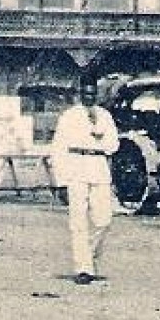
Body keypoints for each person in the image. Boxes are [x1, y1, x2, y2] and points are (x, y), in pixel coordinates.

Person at [51, 76, 120, 286]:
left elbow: (114, 144)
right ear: (81, 94)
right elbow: (58, 148)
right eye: (86, 94)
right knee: (78, 221)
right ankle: (83, 267)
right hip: (76, 167)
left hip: (98, 167)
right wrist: (60, 181)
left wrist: (100, 139)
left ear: (97, 94)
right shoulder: (69, 117)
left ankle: (88, 256)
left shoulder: (105, 116)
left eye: (93, 94)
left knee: (104, 220)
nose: (90, 97)